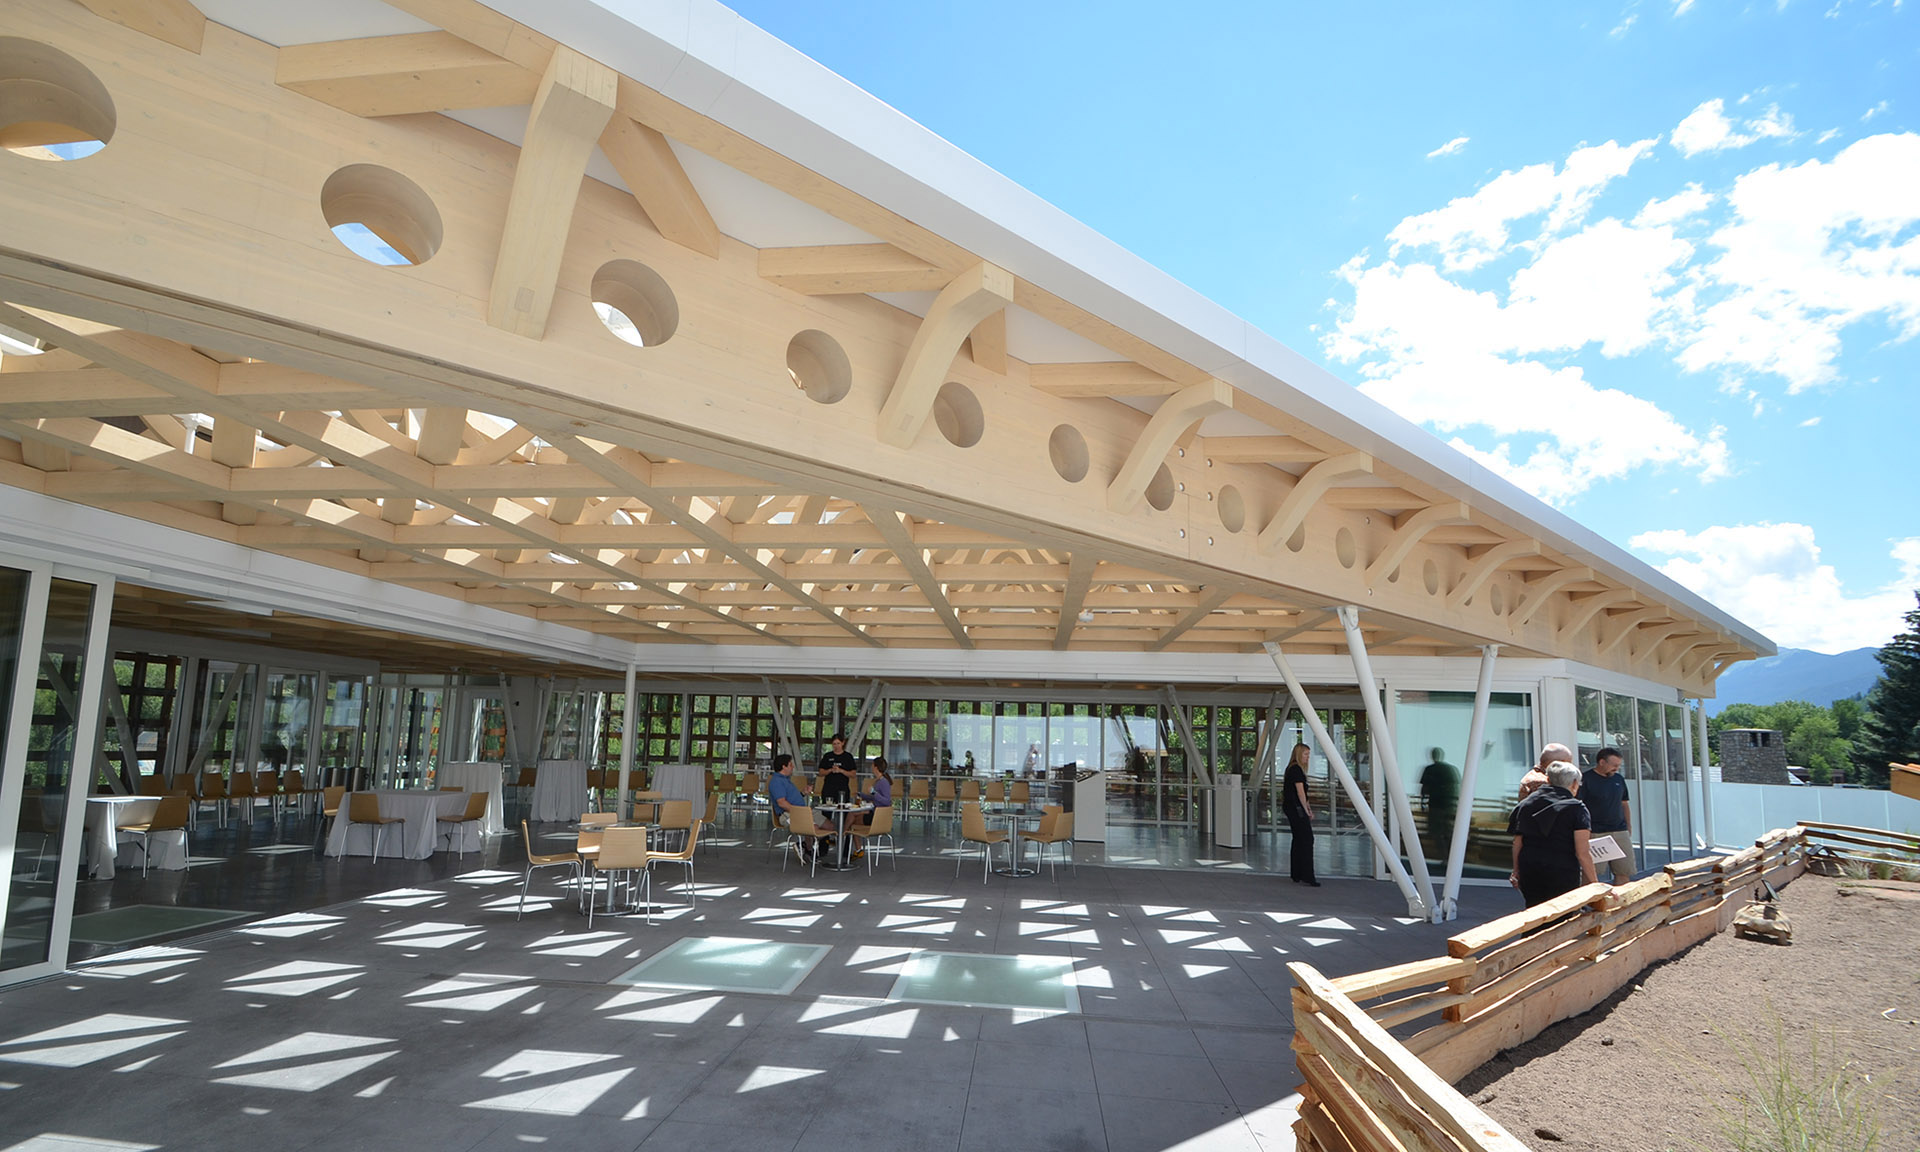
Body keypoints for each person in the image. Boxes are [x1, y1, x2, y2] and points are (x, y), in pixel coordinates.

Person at [1507, 760, 1596, 907]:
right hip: (1562, 870)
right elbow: (1582, 852)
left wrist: (1516, 871)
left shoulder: (1525, 804)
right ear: (1574, 783)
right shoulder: (1576, 808)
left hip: (1530, 868)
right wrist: (1595, 884)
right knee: (1562, 917)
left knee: (1533, 912)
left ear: (1548, 780)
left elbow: (1518, 842)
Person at [1580, 746, 1632, 884]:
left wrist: (1628, 826)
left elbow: (1624, 803)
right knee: (1592, 872)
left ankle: (1622, 903)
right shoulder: (1586, 779)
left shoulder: (1619, 779)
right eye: (1614, 765)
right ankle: (1586, 904)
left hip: (1620, 830)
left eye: (1619, 765)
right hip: (1595, 832)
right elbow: (1578, 806)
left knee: (1624, 870)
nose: (1617, 768)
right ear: (1602, 762)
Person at [1282, 742, 1319, 886]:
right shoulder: (1296, 770)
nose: (1308, 757)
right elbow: (1301, 793)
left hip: (1292, 808)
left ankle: (1296, 873)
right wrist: (1306, 810)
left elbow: (1302, 793)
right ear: (1299, 754)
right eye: (1305, 754)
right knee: (1306, 839)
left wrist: (1307, 808)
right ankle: (1307, 874)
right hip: (1296, 808)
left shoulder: (1291, 769)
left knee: (1298, 839)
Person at [768, 752, 815, 863]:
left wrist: (803, 793)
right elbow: (782, 803)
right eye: (790, 764)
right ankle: (807, 848)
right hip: (788, 814)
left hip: (800, 811)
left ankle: (805, 846)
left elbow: (791, 798)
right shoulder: (776, 782)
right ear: (784, 766)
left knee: (829, 826)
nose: (792, 766)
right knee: (814, 827)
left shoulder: (787, 780)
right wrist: (800, 813)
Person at [846, 757, 892, 858]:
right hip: (875, 813)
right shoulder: (879, 781)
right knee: (853, 819)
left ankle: (842, 835)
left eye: (872, 765)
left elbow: (887, 801)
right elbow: (874, 797)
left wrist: (874, 792)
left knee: (852, 817)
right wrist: (862, 795)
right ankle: (856, 847)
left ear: (876, 767)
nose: (871, 767)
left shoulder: (883, 782)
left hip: (877, 817)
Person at [1420, 747, 1459, 856]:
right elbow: (1456, 787)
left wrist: (1423, 803)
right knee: (1448, 832)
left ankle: (1446, 856)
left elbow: (1424, 788)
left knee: (1437, 832)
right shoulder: (1450, 769)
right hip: (1449, 805)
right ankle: (1452, 856)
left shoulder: (1430, 770)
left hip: (1436, 805)